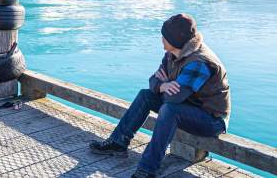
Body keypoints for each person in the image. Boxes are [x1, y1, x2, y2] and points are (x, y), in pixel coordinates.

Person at [90, 14, 231, 178]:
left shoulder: (199, 62)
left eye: (164, 36)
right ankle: (118, 142)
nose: (161, 38)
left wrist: (164, 85)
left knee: (170, 110)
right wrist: (162, 85)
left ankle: (148, 169)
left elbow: (173, 99)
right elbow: (153, 81)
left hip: (211, 119)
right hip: (187, 105)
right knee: (146, 95)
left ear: (175, 39)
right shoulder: (172, 54)